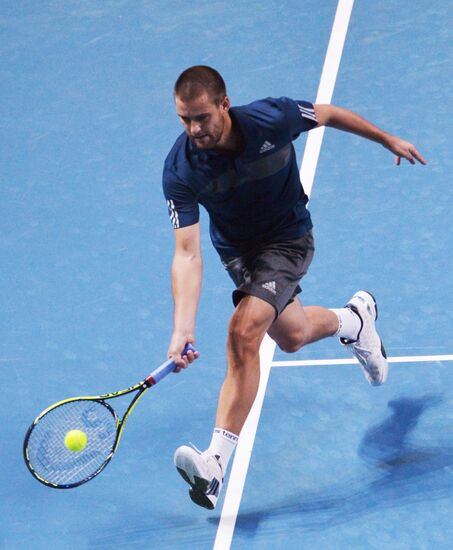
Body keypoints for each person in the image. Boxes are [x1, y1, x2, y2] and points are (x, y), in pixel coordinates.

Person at [162, 65, 426, 510]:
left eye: (201, 117)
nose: (194, 129)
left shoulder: (271, 118)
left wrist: (386, 139)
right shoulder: (181, 168)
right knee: (292, 336)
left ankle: (214, 466)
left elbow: (327, 114)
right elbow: (186, 253)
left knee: (243, 331)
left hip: (287, 239)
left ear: (224, 105)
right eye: (185, 119)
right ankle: (355, 320)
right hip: (240, 255)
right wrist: (181, 327)